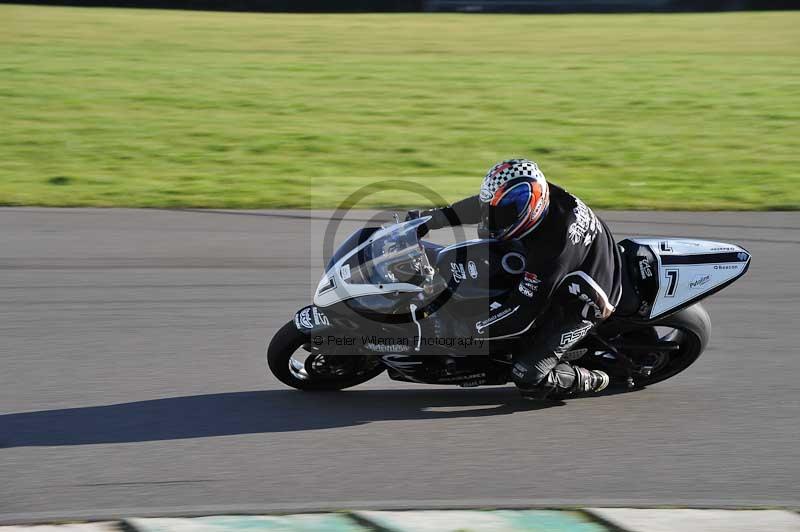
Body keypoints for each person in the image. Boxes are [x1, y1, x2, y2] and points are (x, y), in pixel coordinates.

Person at [408, 159, 622, 399]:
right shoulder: (536, 194)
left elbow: (521, 313)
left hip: (588, 299)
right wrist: (430, 219)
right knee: (488, 236)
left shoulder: (552, 250)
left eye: (505, 212)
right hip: (575, 257)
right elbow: (481, 207)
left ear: (530, 207)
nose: (495, 216)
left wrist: (473, 328)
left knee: (528, 375)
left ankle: (596, 380)